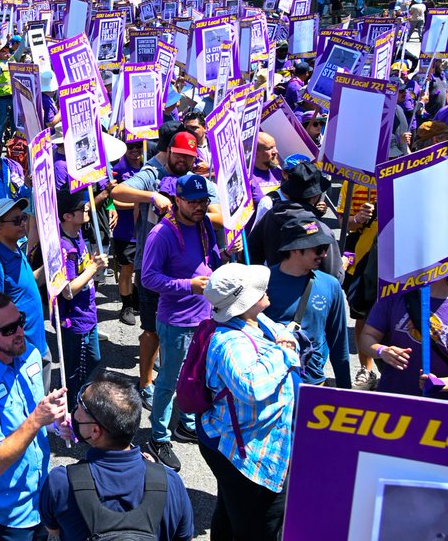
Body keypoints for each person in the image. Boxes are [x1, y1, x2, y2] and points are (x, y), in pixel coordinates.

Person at [199, 263, 301, 540]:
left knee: (232, 513)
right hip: (250, 453)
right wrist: (283, 353)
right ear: (244, 303)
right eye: (258, 289)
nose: (265, 289)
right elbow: (252, 386)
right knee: (260, 527)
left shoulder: (256, 321)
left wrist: (285, 342)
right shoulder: (230, 343)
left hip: (248, 442)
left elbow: (285, 336)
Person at [0, 292, 67, 541]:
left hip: (42, 495)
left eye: (21, 321)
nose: (20, 331)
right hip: (10, 513)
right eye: (8, 329)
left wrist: (54, 424)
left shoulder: (27, 353)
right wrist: (38, 420)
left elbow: (25, 417)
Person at [141, 173, 229, 472]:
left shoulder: (205, 224)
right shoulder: (162, 234)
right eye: (192, 202)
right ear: (177, 200)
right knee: (168, 381)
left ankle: (187, 423)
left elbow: (211, 260)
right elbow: (148, 278)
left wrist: (225, 257)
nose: (199, 207)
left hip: (206, 316)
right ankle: (158, 437)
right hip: (176, 320)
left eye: (204, 201)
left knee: (197, 376)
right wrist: (188, 285)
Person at [39, 371, 194, 541]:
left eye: (79, 407)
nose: (74, 413)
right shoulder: (171, 483)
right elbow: (183, 536)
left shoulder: (61, 483)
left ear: (95, 431)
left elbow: (53, 531)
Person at [112, 125, 201, 406]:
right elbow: (118, 193)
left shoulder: (192, 177)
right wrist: (152, 196)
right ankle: (145, 382)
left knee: (175, 326)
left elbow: (218, 208)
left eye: (190, 156)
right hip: (152, 267)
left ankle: (167, 373)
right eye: (180, 155)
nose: (184, 161)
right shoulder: (153, 173)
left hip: (184, 269)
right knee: (151, 329)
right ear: (169, 151)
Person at [358, 272, 448, 400]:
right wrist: (381, 351)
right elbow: (367, 337)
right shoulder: (393, 295)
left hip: (441, 408)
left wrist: (443, 383)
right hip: (392, 399)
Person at [264, 215, 351, 388]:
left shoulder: (330, 285)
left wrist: (345, 390)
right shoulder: (262, 281)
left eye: (326, 247)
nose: (325, 254)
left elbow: (338, 340)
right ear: (296, 249)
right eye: (319, 248)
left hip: (312, 382)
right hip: (269, 381)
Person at [0, 197, 47, 366]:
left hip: (36, 344)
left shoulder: (16, 249)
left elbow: (29, 283)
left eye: (23, 217)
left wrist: (49, 267)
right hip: (21, 353)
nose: (23, 223)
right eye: (16, 220)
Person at [56, 190, 108, 401]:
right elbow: (67, 291)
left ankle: (79, 398)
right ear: (67, 216)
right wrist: (93, 268)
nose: (87, 208)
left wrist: (90, 264)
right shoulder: (64, 247)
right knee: (75, 370)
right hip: (75, 320)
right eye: (81, 207)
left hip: (88, 314)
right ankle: (72, 410)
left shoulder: (77, 234)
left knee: (94, 359)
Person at [108, 140, 146, 328]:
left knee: (143, 268)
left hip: (145, 230)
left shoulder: (148, 166)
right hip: (125, 231)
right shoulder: (118, 168)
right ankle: (126, 306)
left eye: (138, 146)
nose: (135, 150)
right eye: (131, 147)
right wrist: (140, 202)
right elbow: (114, 200)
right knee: (127, 269)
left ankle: (138, 296)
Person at [249, 132, 283, 207]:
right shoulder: (248, 178)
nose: (275, 151)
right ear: (255, 152)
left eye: (275, 146)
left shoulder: (279, 172)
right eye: (270, 148)